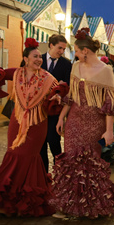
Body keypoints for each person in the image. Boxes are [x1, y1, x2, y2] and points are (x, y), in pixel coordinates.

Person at [0, 40, 64, 216]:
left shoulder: (49, 78)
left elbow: (60, 94)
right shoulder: (16, 73)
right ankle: (8, 198)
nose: (39, 59)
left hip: (37, 124)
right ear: (25, 58)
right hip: (16, 122)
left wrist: (57, 99)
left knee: (29, 157)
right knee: (13, 154)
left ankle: (29, 200)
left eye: (40, 57)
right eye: (35, 56)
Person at [51, 29, 114, 219]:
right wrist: (61, 118)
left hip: (93, 122)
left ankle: (90, 206)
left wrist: (108, 131)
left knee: (89, 161)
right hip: (74, 120)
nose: (74, 54)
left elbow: (109, 104)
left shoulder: (106, 71)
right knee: (72, 161)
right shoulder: (75, 67)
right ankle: (69, 205)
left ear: (85, 51)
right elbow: (71, 96)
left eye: (75, 50)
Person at [42, 34, 72, 173]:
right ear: (51, 45)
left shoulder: (66, 64)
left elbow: (68, 86)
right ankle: (43, 174)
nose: (61, 51)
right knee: (40, 143)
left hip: (55, 110)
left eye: (64, 49)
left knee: (54, 140)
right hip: (39, 110)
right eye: (60, 48)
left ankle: (59, 170)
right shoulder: (39, 60)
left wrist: (60, 92)